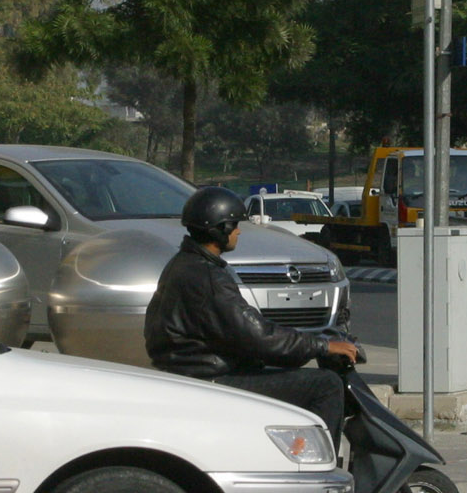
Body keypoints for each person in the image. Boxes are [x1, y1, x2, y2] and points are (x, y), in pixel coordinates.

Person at [145, 186, 360, 437]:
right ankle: (319, 458)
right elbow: (259, 336)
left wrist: (305, 344)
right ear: (219, 229)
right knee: (326, 385)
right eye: (234, 225)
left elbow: (245, 330)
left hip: (196, 373)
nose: (238, 231)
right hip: (212, 379)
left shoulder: (184, 264)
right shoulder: (208, 276)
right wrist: (322, 346)